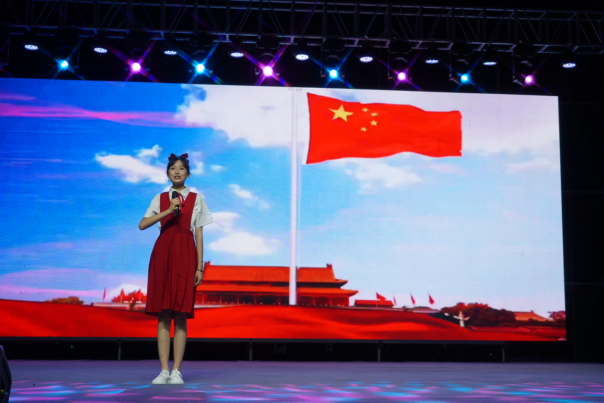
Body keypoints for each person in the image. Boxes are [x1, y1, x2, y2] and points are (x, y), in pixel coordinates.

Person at [138, 153, 213, 385]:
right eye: (173, 168)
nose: (177, 172)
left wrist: (200, 266)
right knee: (163, 314)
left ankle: (177, 370)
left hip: (186, 254)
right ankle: (163, 370)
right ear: (167, 173)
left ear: (188, 174)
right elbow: (142, 224)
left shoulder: (197, 199)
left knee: (180, 314)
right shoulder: (160, 198)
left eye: (181, 168)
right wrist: (169, 210)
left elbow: (199, 234)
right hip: (163, 254)